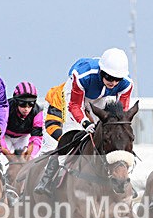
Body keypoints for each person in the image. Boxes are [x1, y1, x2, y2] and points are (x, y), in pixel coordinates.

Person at [34, 48, 133, 196]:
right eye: (109, 78)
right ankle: (47, 179)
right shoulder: (83, 76)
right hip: (75, 96)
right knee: (72, 134)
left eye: (117, 79)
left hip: (99, 97)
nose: (113, 83)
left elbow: (121, 114)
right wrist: (85, 123)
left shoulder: (126, 84)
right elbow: (75, 106)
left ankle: (120, 179)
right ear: (101, 72)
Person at [2, 82, 43, 156]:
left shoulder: (37, 112)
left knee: (29, 160)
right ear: (16, 102)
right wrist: (5, 151)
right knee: (3, 160)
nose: (26, 109)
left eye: (31, 104)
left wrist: (31, 156)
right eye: (22, 104)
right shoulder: (6, 108)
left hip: (23, 138)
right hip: (5, 136)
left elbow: (36, 137)